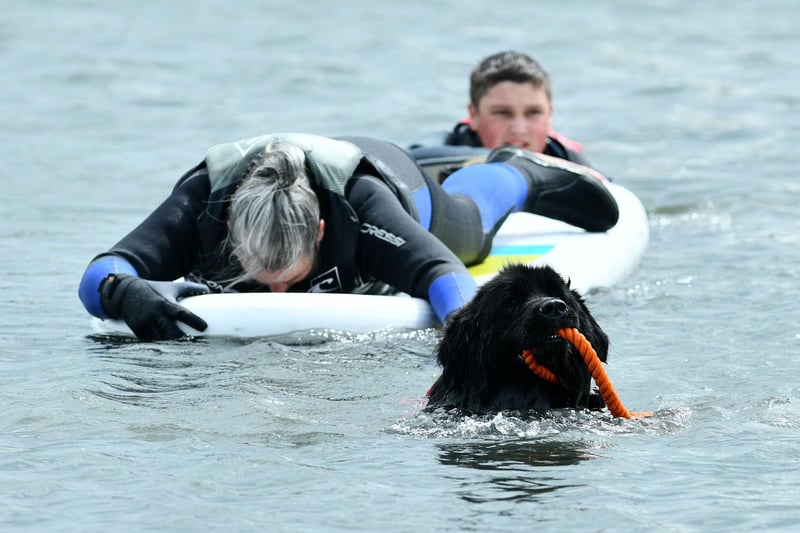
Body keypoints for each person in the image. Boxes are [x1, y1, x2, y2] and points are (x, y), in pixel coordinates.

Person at [78, 133, 618, 341]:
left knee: (471, 230)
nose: (277, 301)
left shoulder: (361, 209)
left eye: (289, 283)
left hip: (389, 174)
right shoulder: (201, 203)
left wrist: (461, 329)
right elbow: (104, 270)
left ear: (318, 233)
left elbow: (444, 272)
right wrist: (124, 292)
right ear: (231, 237)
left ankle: (515, 170)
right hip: (270, 172)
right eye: (262, 284)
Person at [408, 50, 589, 165]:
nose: (519, 129)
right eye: (503, 113)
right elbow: (407, 161)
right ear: (474, 115)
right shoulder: (436, 150)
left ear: (549, 115)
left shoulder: (567, 159)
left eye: (533, 113)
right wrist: (536, 163)